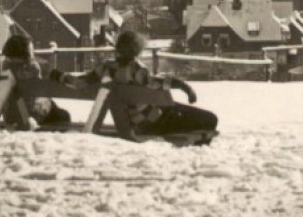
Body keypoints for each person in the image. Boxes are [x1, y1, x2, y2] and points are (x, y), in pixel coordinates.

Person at [80, 28, 218, 140]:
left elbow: (79, 82)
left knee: (177, 109)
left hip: (135, 122)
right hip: (154, 123)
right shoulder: (138, 70)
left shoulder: (106, 67)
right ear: (137, 49)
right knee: (210, 119)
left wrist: (58, 76)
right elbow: (158, 83)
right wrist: (185, 87)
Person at [0, 34, 70, 130]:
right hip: (29, 114)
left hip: (9, 114)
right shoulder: (32, 67)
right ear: (26, 51)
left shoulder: (5, 67)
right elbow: (38, 87)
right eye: (31, 49)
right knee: (62, 113)